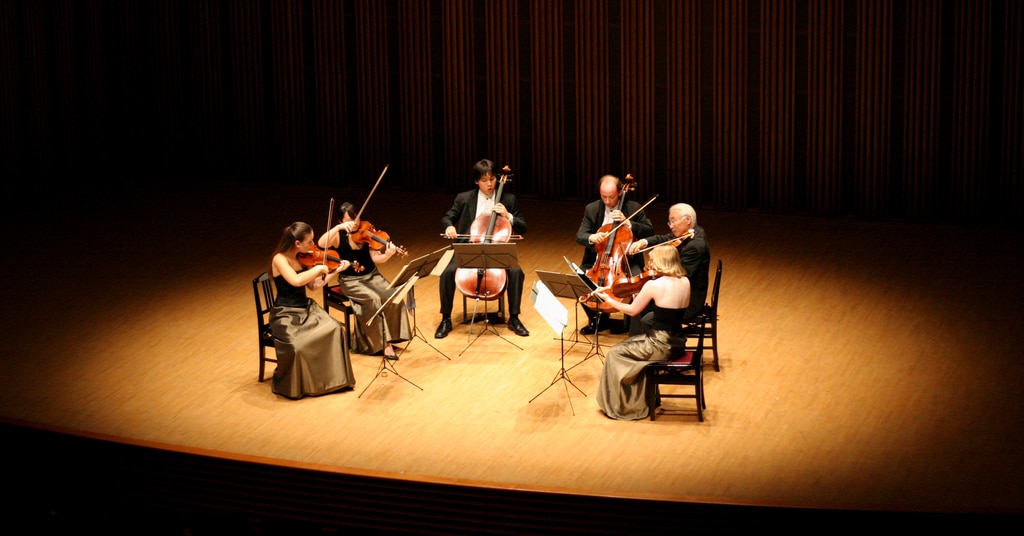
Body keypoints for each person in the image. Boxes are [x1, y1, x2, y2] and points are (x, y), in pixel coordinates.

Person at [592, 244, 691, 420]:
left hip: (660, 345)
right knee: (630, 343)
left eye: (652, 260)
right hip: (678, 342)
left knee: (615, 353)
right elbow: (668, 311)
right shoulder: (685, 281)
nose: (649, 265)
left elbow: (632, 311)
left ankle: (624, 406)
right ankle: (643, 399)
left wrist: (608, 299)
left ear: (661, 261)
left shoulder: (654, 285)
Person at [435, 158, 530, 338]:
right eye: (484, 180)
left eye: (492, 179)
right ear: (476, 181)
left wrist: (508, 215)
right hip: (469, 248)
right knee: (447, 272)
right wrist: (449, 227)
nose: (489, 184)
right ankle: (445, 318)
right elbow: (447, 218)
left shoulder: (508, 199)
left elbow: (523, 226)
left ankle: (514, 318)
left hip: (497, 249)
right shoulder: (464, 198)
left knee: (517, 272)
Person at [268, 221, 356, 399]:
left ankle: (330, 379)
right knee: (298, 346)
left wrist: (334, 271)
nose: (313, 245)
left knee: (335, 329)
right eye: (310, 241)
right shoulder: (279, 259)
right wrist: (318, 269)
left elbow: (313, 286)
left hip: (305, 308)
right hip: (285, 313)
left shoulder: (303, 256)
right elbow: (296, 281)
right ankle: (301, 383)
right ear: (297, 243)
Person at [319, 202, 411, 360]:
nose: (355, 223)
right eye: (349, 220)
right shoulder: (337, 236)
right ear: (341, 221)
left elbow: (376, 258)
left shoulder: (366, 229)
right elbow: (321, 243)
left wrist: (388, 254)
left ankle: (393, 336)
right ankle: (383, 344)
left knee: (393, 295)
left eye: (356, 218)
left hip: (373, 276)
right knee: (373, 300)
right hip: (351, 281)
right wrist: (338, 228)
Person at [574, 174, 654, 335]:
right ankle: (597, 320)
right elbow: (580, 235)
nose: (607, 201)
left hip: (626, 260)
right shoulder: (592, 209)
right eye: (604, 196)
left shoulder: (633, 208)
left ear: (619, 192)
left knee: (637, 282)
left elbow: (649, 230)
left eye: (611, 197)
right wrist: (592, 237)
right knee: (579, 279)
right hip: (598, 260)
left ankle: (631, 325)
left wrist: (629, 223)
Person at [626, 202, 710, 335]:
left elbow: (679, 275)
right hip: (679, 292)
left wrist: (657, 270)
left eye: (673, 221)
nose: (671, 226)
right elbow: (665, 238)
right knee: (640, 298)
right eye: (669, 222)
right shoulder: (691, 232)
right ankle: (642, 337)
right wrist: (644, 242)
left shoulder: (695, 246)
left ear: (688, 220)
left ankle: (642, 340)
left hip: (686, 302)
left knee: (641, 303)